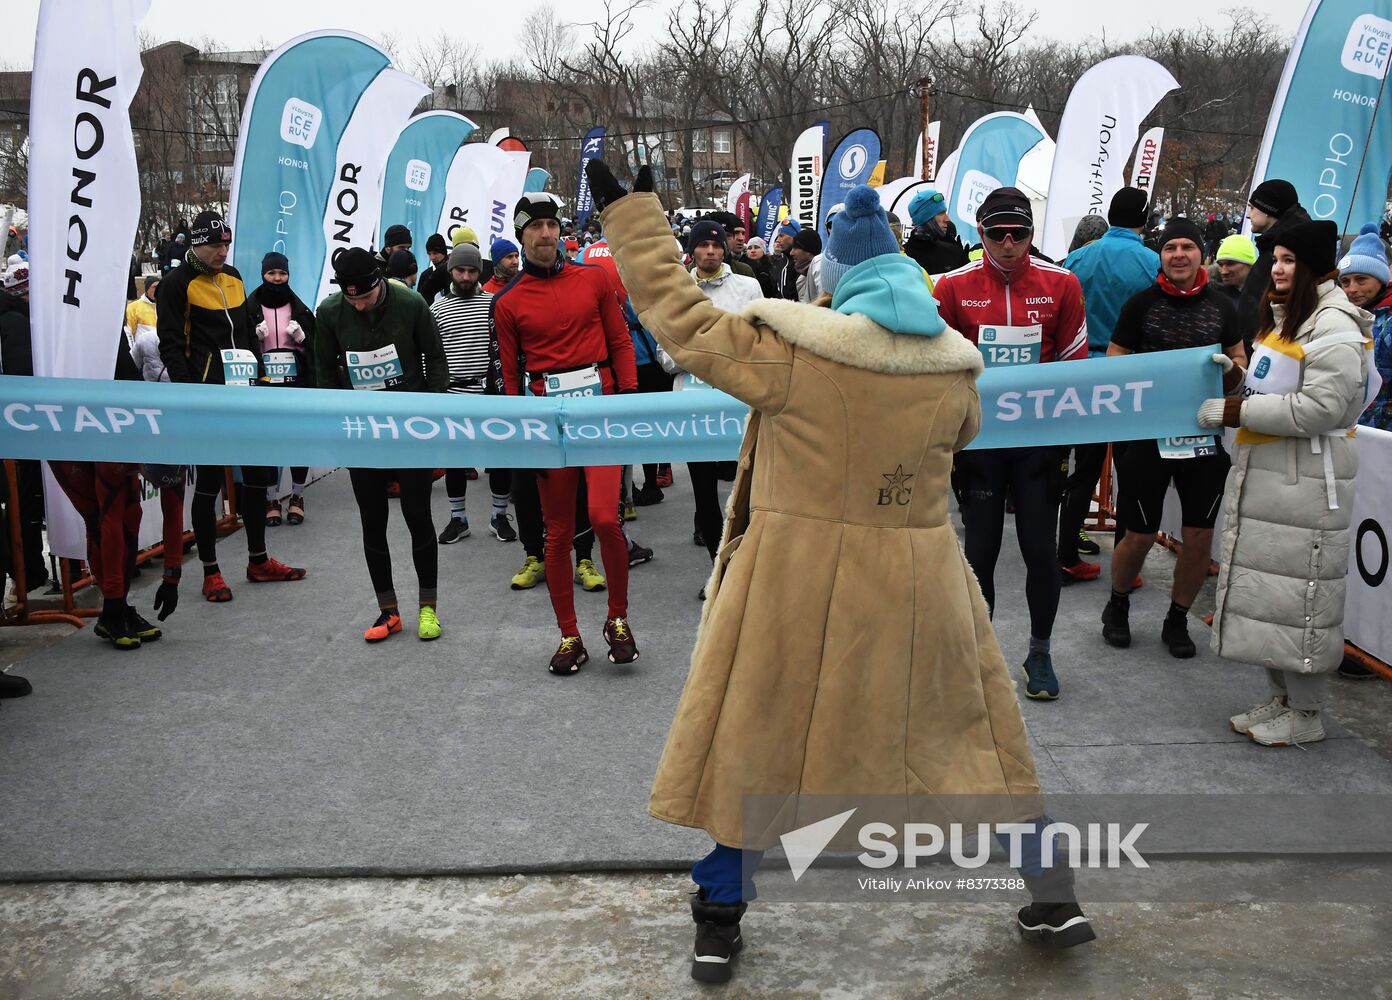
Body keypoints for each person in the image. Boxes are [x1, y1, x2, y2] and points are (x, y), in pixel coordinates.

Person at [589, 165, 1095, 984]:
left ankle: (720, 914)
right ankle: (1051, 892)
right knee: (969, 735)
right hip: (920, 569)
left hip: (797, 574)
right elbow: (962, 438)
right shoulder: (954, 370)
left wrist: (632, 216)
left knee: (758, 735)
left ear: (837, 278)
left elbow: (679, 319)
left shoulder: (793, 354)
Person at [1198, 219, 1372, 745]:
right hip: (1272, 481)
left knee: (1305, 602)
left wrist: (1237, 411)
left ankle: (1307, 712)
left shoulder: (1335, 326)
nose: (1277, 268)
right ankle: (1281, 696)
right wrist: (1233, 378)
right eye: (1275, 258)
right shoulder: (1289, 318)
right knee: (1274, 599)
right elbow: (1271, 385)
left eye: (1290, 260)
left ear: (1316, 267)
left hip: (1308, 490)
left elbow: (1321, 408)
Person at [933, 187, 1088, 701]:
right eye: (996, 232)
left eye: (1018, 233)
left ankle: (1039, 652)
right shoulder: (952, 286)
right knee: (980, 550)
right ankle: (980, 654)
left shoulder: (1062, 283)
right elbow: (938, 363)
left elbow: (1074, 364)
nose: (1007, 242)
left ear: (1031, 234)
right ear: (980, 233)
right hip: (980, 443)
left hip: (1038, 444)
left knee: (1041, 551)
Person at [492, 191, 640, 674]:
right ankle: (570, 635)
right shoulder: (508, 300)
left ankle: (617, 619)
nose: (545, 233)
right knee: (556, 534)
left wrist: (626, 405)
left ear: (561, 231)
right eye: (534, 226)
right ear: (521, 235)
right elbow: (510, 377)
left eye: (551, 224)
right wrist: (522, 437)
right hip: (549, 422)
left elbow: (620, 340)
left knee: (603, 517)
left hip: (600, 413)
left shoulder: (594, 278)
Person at [1101, 218, 1247, 658]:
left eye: (1187, 246)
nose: (1178, 254)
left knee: (1199, 536)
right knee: (1139, 535)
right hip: (1148, 437)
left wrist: (1231, 372)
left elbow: (1240, 358)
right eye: (1170, 248)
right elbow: (1114, 359)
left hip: (1203, 436)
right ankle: (1118, 604)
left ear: (1201, 254)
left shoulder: (1223, 305)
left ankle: (1177, 618)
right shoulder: (1141, 304)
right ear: (1160, 255)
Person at [156, 210, 307, 602]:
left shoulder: (235, 278)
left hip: (245, 392)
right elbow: (171, 345)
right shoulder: (176, 284)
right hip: (206, 396)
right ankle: (210, 571)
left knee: (257, 477)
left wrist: (259, 377)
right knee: (208, 485)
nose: (222, 251)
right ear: (195, 244)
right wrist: (191, 394)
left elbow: (244, 335)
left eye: (226, 244)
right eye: (214, 245)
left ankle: (258, 560)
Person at [315, 246, 449, 642]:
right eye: (351, 299)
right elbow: (324, 369)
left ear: (380, 284)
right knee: (373, 522)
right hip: (363, 430)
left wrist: (433, 414)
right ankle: (388, 610)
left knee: (417, 516)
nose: (358, 306)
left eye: (367, 298)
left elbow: (435, 359)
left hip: (409, 428)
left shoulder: (410, 302)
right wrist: (335, 421)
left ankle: (428, 608)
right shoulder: (330, 311)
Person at [1057, 188, 1159, 583]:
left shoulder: (1078, 258)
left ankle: (1065, 555)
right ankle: (1126, 567)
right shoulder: (1152, 262)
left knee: (1083, 469)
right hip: (1131, 374)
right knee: (1128, 473)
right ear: (1144, 221)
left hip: (1084, 369)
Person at [665, 219, 761, 590]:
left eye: (716, 246)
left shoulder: (748, 286)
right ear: (692, 250)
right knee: (704, 492)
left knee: (748, 488)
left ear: (724, 249)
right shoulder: (677, 290)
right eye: (703, 246)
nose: (710, 252)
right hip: (693, 404)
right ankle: (718, 572)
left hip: (740, 402)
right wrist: (709, 356)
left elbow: (759, 342)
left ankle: (746, 569)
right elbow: (667, 355)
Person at [430, 243, 515, 544]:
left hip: (489, 393)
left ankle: (499, 515)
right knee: (455, 459)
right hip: (454, 393)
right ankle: (458, 519)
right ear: (451, 270)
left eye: (471, 270)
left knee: (500, 457)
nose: (465, 276)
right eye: (460, 270)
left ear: (480, 271)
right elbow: (431, 355)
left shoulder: (495, 302)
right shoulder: (437, 308)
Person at [245, 251, 317, 526]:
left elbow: (316, 346)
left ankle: (297, 496)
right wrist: (255, 338)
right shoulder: (250, 307)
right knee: (268, 440)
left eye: (282, 274)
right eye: (272, 274)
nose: (277, 279)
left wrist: (302, 338)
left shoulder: (298, 307)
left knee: (298, 438)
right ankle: (271, 498)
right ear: (263, 275)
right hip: (265, 383)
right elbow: (239, 344)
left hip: (295, 381)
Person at [0, 255, 48, 596]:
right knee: (27, 500)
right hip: (28, 425)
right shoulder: (19, 323)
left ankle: (32, 570)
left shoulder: (20, 320)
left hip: (25, 423)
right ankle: (30, 570)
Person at [1237, 179, 1310, 347]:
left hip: (1269, 348)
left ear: (1268, 209)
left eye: (1252, 207)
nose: (1248, 214)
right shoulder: (1273, 247)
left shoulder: (1282, 252)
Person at [1340, 223, 1392, 431]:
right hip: (1351, 427)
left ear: (1380, 279)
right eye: (1345, 281)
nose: (1352, 289)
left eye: (1361, 280)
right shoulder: (1343, 315)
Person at [903, 187, 968, 276]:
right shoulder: (904, 258)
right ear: (925, 219)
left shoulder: (954, 253)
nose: (947, 219)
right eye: (941, 213)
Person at [1213, 234, 1258, 302]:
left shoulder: (1265, 299)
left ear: (1250, 265)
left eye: (1231, 264)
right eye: (1220, 265)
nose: (1224, 272)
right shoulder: (1209, 297)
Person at [125, 273, 159, 349]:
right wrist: (132, 351)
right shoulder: (134, 307)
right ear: (147, 290)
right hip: (143, 352)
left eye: (159, 287)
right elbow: (128, 331)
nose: (157, 289)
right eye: (154, 287)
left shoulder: (164, 306)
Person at [789, 227, 823, 303]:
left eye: (796, 248)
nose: (791, 253)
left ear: (809, 251)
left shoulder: (819, 266)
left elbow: (824, 304)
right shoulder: (801, 279)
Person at [417, 233, 451, 303]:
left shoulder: (454, 272)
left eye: (435, 253)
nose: (432, 257)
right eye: (429, 254)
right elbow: (419, 302)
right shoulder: (425, 275)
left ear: (443, 252)